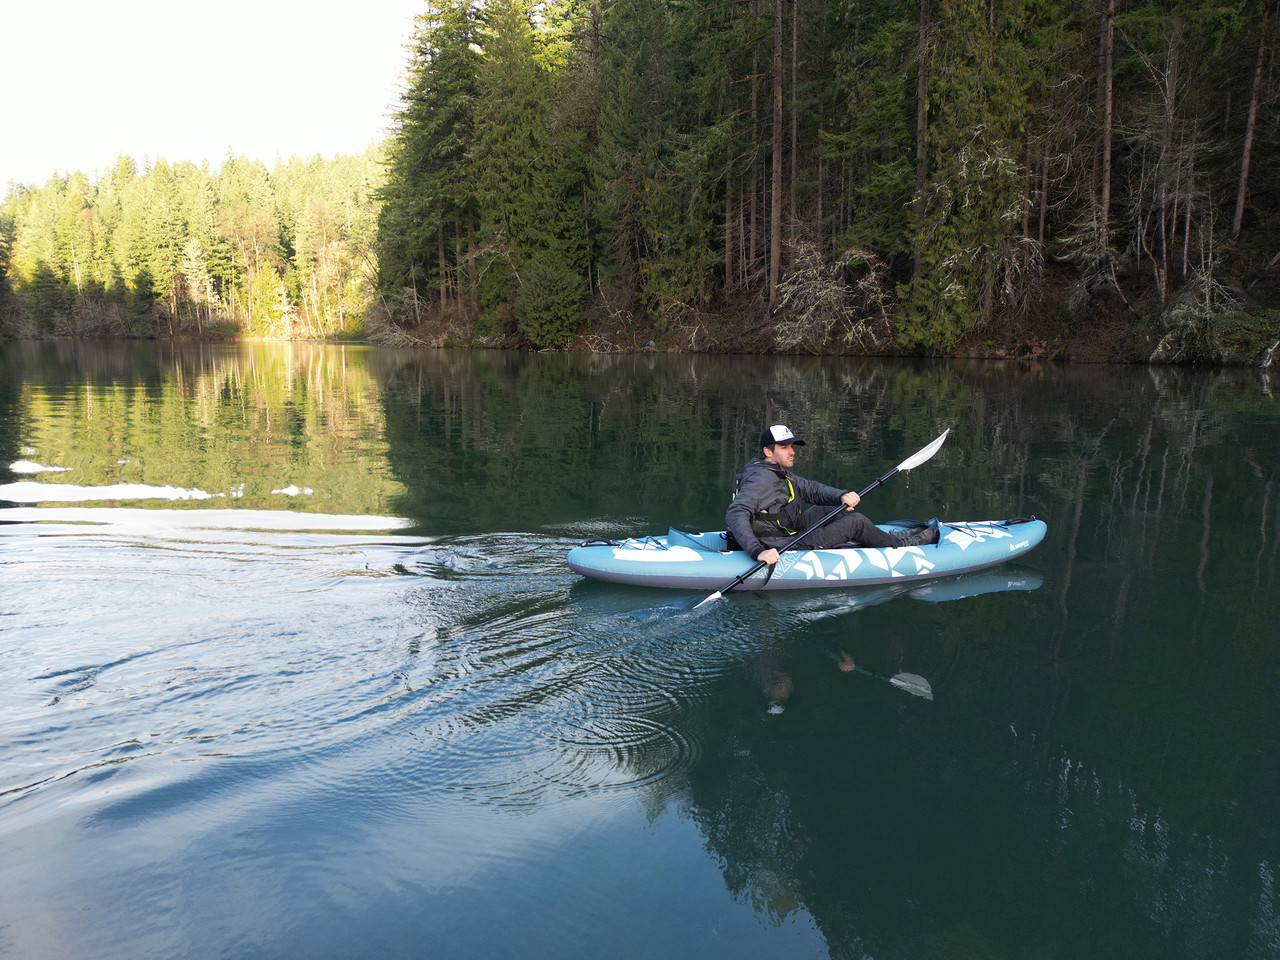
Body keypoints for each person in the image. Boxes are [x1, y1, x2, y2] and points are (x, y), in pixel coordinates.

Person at [725, 424, 938, 565]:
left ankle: (882, 538)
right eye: (784, 447)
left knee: (831, 508)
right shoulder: (761, 479)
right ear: (768, 452)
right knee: (856, 521)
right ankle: (902, 545)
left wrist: (841, 496)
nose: (792, 451)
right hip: (776, 543)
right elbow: (736, 513)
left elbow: (811, 489)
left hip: (782, 532)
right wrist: (757, 551)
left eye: (792, 446)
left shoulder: (772, 470)